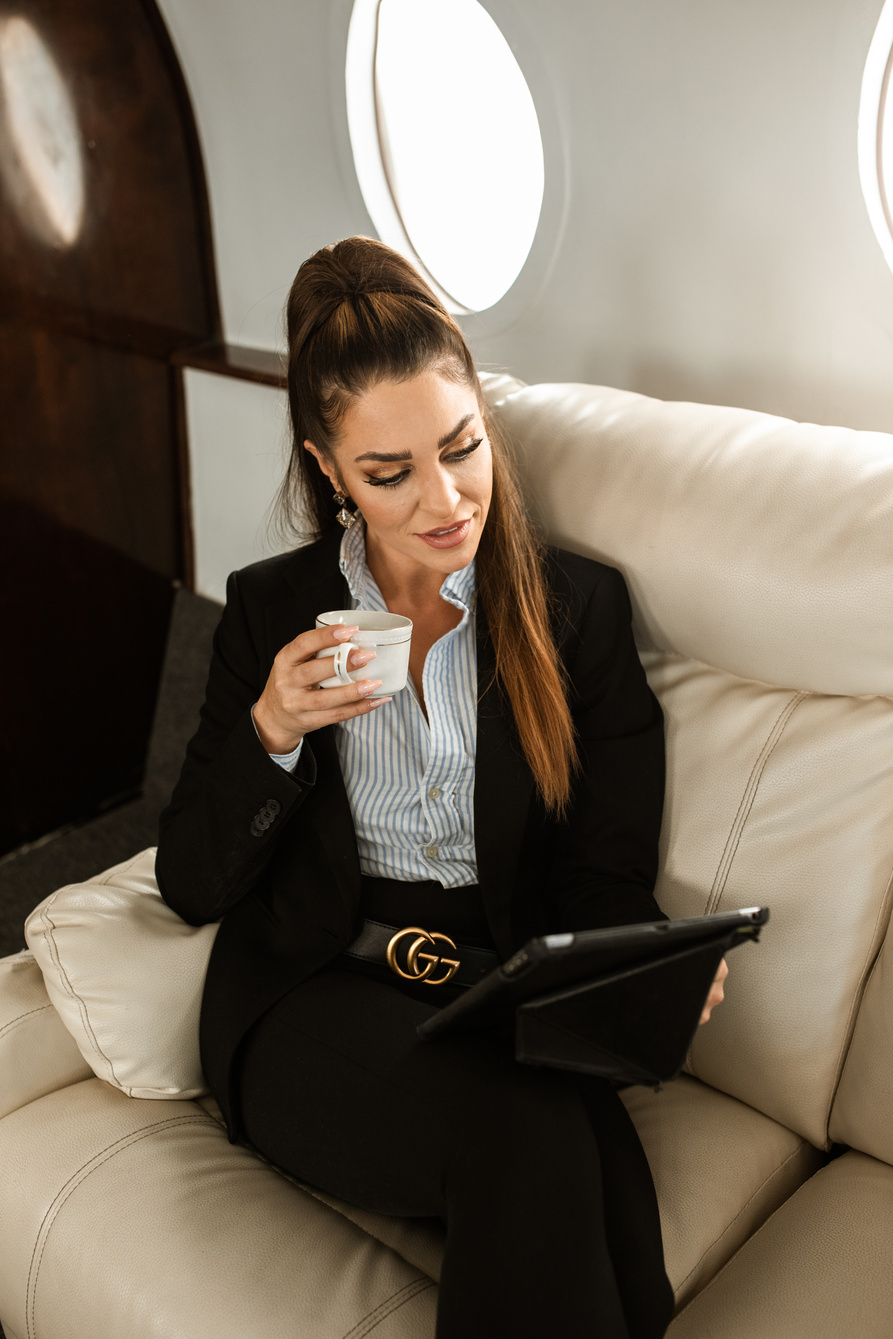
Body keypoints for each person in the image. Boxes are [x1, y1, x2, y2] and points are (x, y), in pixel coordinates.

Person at [156, 236, 725, 1338]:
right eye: (389, 473)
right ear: (328, 469)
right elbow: (188, 880)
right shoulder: (272, 612)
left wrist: (643, 964)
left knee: (616, 1229)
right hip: (313, 988)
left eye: (462, 448)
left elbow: (601, 871)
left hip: (497, 986)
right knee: (525, 1137)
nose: (446, 498)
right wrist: (272, 731)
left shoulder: (575, 613)